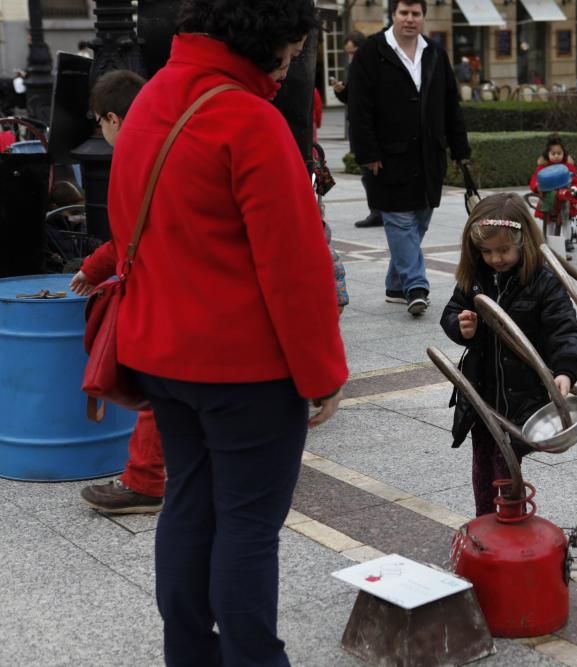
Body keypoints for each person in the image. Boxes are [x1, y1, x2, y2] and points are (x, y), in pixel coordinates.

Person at [107, 1, 349, 663]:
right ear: (270, 37)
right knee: (247, 524)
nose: (294, 61)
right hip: (246, 371)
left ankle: (188, 652)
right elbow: (294, 270)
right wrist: (324, 373)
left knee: (187, 501)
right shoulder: (250, 120)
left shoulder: (152, 97)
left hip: (161, 354)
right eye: (296, 47)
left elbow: (123, 218)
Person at [440, 193, 577, 516]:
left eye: (504, 250)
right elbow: (452, 312)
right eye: (487, 251)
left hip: (522, 394)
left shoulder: (543, 282)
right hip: (482, 391)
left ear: (524, 242)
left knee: (506, 464)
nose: (495, 259)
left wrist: (564, 370)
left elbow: (565, 329)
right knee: (482, 464)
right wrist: (460, 326)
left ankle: (509, 524)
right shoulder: (475, 278)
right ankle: (485, 523)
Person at [68, 70, 166, 515]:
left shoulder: (137, 157)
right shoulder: (166, 143)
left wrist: (93, 267)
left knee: (161, 387)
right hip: (191, 287)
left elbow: (131, 233)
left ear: (112, 118)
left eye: (100, 123)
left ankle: (145, 481)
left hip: (166, 291)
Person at [349, 0, 471, 316]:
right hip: (388, 158)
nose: (410, 19)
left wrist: (460, 150)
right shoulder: (371, 53)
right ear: (393, 15)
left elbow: (450, 104)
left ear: (423, 18)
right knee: (400, 221)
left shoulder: (434, 52)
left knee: (420, 219)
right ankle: (416, 286)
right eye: (404, 13)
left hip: (429, 156)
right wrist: (367, 152)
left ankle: (394, 285)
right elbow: (359, 107)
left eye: (416, 14)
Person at [332, 30, 383, 229]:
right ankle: (378, 210)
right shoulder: (356, 66)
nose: (350, 56)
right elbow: (352, 98)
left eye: (353, 52)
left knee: (371, 173)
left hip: (369, 128)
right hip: (358, 126)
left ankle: (378, 211)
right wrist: (341, 92)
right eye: (348, 53)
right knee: (367, 172)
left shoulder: (369, 66)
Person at [528, 133, 577, 220]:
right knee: (549, 228)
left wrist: (574, 187)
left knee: (566, 225)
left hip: (565, 200)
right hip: (548, 202)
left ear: (564, 154)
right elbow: (535, 180)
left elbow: (575, 179)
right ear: (547, 154)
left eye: (559, 153)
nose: (556, 156)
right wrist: (537, 186)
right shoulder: (542, 168)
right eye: (553, 153)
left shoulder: (568, 167)